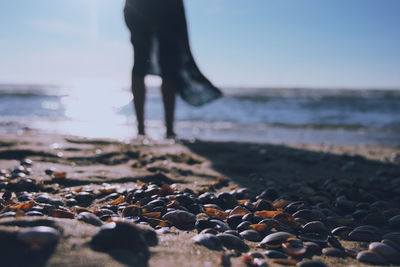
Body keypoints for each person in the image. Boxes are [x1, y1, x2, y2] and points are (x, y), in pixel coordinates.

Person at [124, 0, 222, 138]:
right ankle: (144, 129)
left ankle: (166, 129)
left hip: (163, 8)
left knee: (166, 65)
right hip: (144, 6)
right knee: (145, 64)